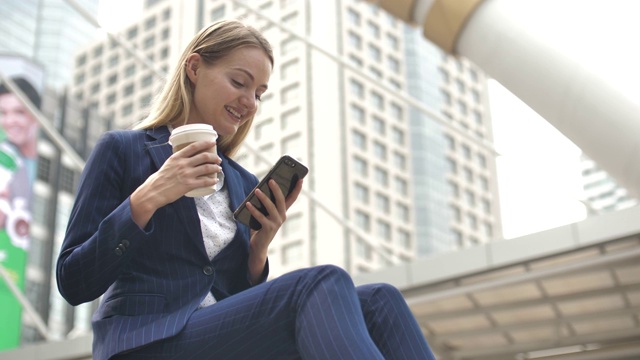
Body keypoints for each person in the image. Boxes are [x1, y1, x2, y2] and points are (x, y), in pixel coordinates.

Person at [56, 20, 436, 360]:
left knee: (381, 300)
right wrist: (149, 195)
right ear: (194, 67)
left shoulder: (241, 182)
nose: (249, 102)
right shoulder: (123, 150)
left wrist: (257, 251)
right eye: (239, 82)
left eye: (259, 93)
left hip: (215, 339)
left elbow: (233, 297)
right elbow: (74, 281)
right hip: (144, 341)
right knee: (322, 281)